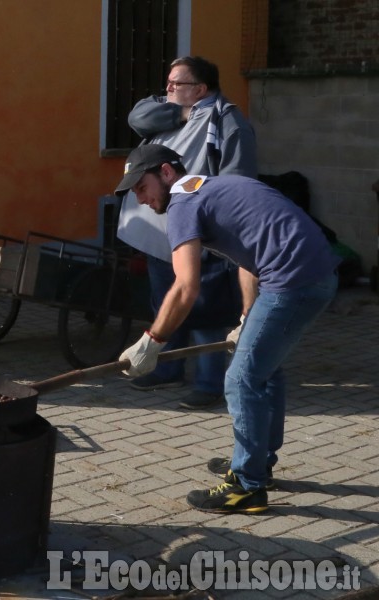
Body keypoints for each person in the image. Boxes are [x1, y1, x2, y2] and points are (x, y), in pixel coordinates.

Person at [115, 144, 339, 514]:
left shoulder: (184, 204)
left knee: (240, 379)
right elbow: (249, 258)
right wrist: (248, 317)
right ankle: (258, 463)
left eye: (141, 187)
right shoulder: (214, 189)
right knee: (264, 369)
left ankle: (247, 486)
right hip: (312, 275)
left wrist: (151, 342)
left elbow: (187, 286)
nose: (140, 199)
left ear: (167, 173)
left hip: (294, 280)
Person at [117, 56, 257, 409]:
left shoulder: (229, 122)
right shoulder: (169, 111)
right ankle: (168, 369)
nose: (167, 91)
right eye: (167, 83)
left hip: (201, 232)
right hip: (159, 230)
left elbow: (237, 182)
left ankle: (210, 383)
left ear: (201, 89)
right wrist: (180, 112)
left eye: (175, 85)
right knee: (166, 301)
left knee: (206, 308)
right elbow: (137, 116)